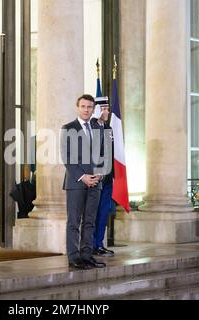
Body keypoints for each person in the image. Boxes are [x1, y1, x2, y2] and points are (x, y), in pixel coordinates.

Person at [60, 94, 106, 270]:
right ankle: (74, 257)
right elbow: (67, 157)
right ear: (77, 107)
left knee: (90, 221)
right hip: (76, 183)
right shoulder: (68, 128)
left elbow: (104, 153)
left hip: (96, 182)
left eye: (89, 107)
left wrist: (101, 173)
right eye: (83, 106)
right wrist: (83, 176)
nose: (86, 110)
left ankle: (87, 255)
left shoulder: (98, 127)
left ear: (93, 109)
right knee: (74, 221)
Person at [91, 96, 115, 257]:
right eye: (103, 109)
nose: (106, 112)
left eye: (107, 109)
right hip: (96, 176)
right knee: (94, 212)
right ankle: (92, 244)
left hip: (107, 176)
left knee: (104, 212)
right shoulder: (91, 127)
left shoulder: (108, 128)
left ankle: (99, 243)